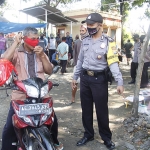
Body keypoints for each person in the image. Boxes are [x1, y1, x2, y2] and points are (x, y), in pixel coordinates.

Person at [1, 27, 63, 150]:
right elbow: (4, 60)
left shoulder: (40, 52)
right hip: (21, 94)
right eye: (32, 39)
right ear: (24, 38)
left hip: (40, 93)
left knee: (52, 120)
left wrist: (43, 56)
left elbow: (49, 70)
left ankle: (54, 141)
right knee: (10, 126)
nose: (36, 41)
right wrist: (15, 43)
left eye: (37, 38)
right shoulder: (17, 51)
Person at [71, 13, 124, 150]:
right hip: (85, 79)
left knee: (102, 111)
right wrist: (74, 77)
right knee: (86, 109)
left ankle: (106, 138)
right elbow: (80, 61)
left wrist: (119, 81)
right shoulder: (85, 41)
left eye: (92, 25)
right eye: (87, 25)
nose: (89, 27)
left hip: (99, 80)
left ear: (100, 25)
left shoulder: (108, 42)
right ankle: (88, 134)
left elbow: (113, 63)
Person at [67, 23, 89, 105]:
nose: (81, 32)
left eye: (82, 30)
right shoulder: (77, 42)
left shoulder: (90, 41)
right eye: (80, 31)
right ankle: (72, 98)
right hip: (78, 66)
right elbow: (75, 53)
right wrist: (76, 65)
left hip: (88, 67)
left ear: (87, 31)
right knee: (74, 82)